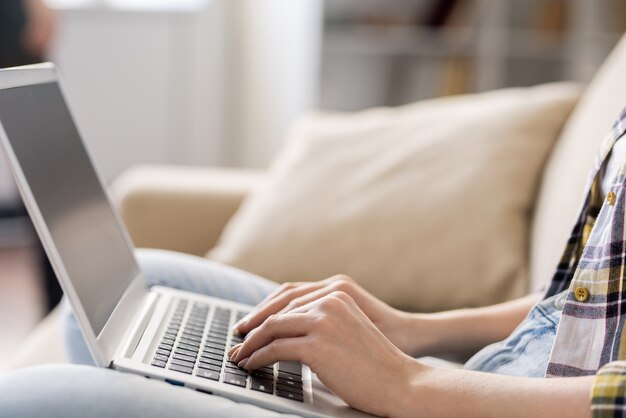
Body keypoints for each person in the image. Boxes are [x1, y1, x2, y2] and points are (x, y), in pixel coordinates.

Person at [1, 110, 626, 418]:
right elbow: (575, 299)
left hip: (474, 407)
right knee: (149, 281)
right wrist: (411, 329)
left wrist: (409, 385)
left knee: (26, 399)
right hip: (491, 379)